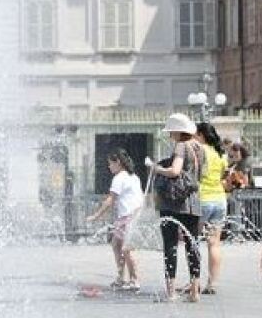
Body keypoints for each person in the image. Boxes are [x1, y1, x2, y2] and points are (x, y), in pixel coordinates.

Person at [147, 113, 205, 302]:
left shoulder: (181, 146)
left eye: (171, 130)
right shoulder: (199, 148)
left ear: (179, 131)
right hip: (194, 202)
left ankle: (171, 292)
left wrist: (155, 168)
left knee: (170, 245)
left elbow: (175, 171)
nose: (170, 134)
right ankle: (195, 290)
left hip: (174, 203)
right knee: (192, 246)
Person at [86, 148, 143, 292]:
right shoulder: (133, 176)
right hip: (131, 215)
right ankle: (121, 278)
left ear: (118, 162)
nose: (109, 166)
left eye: (110, 163)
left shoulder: (119, 178)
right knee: (116, 244)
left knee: (127, 248)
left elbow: (110, 199)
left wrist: (96, 216)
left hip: (127, 217)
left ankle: (134, 280)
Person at [195, 122, 228, 295]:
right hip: (220, 199)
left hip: (203, 199)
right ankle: (212, 283)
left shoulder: (200, 151)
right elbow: (224, 175)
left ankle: (194, 282)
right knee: (214, 243)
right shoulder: (220, 153)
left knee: (192, 241)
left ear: (201, 135)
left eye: (195, 134)